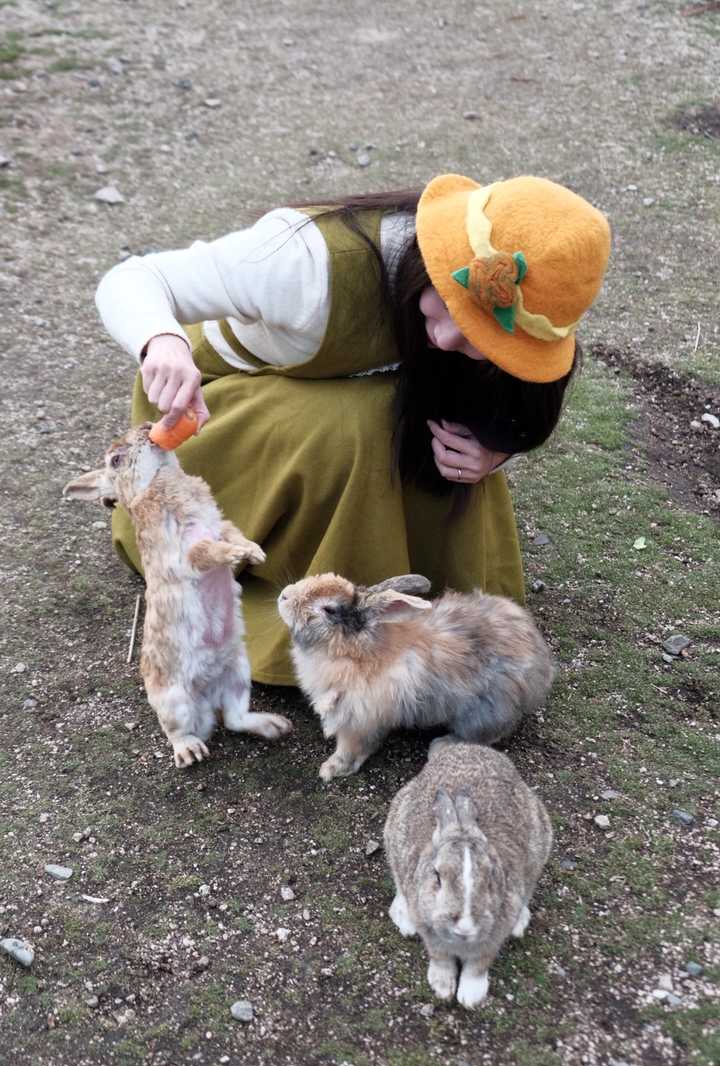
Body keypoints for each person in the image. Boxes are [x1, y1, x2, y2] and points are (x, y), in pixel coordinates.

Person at [96, 172, 611, 685]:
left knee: (406, 417)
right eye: (452, 305)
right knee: (366, 424)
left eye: (488, 338)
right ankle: (315, 616)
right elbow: (135, 278)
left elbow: (520, 401)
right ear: (432, 255)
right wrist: (161, 342)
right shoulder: (303, 263)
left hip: (352, 416)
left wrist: (496, 452)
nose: (450, 336)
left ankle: (405, 613)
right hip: (214, 411)